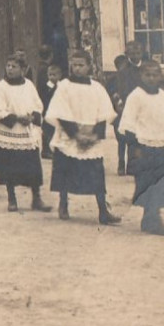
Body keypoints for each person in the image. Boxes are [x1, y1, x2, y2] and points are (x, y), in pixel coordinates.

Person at [45, 49, 121, 226]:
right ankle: (63, 204)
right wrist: (76, 134)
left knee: (96, 173)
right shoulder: (64, 86)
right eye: (74, 65)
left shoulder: (97, 88)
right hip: (69, 134)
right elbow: (59, 110)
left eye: (81, 65)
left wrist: (93, 134)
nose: (77, 68)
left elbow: (105, 113)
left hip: (91, 136)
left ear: (89, 67)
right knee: (64, 170)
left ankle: (103, 210)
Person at [119, 59, 164, 234]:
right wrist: (135, 147)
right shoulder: (136, 96)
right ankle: (150, 219)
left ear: (160, 76)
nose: (151, 78)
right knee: (148, 183)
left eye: (155, 74)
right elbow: (128, 123)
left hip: (161, 144)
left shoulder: (162, 95)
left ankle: (153, 216)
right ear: (141, 75)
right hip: (143, 146)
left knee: (163, 182)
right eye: (147, 75)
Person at [0, 55, 51, 213]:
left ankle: (36, 198)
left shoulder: (29, 85)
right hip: (10, 131)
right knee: (9, 166)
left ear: (23, 70)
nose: (10, 69)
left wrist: (32, 117)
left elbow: (38, 104)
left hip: (26, 132)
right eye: (8, 66)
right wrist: (17, 118)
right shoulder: (0, 87)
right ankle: (12, 198)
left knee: (32, 166)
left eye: (14, 66)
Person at [112, 43, 145, 175]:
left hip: (142, 105)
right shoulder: (123, 70)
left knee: (138, 136)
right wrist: (120, 102)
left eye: (137, 53)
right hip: (127, 104)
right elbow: (121, 89)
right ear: (127, 55)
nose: (135, 56)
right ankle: (121, 162)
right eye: (132, 54)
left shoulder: (145, 68)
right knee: (123, 136)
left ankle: (135, 164)